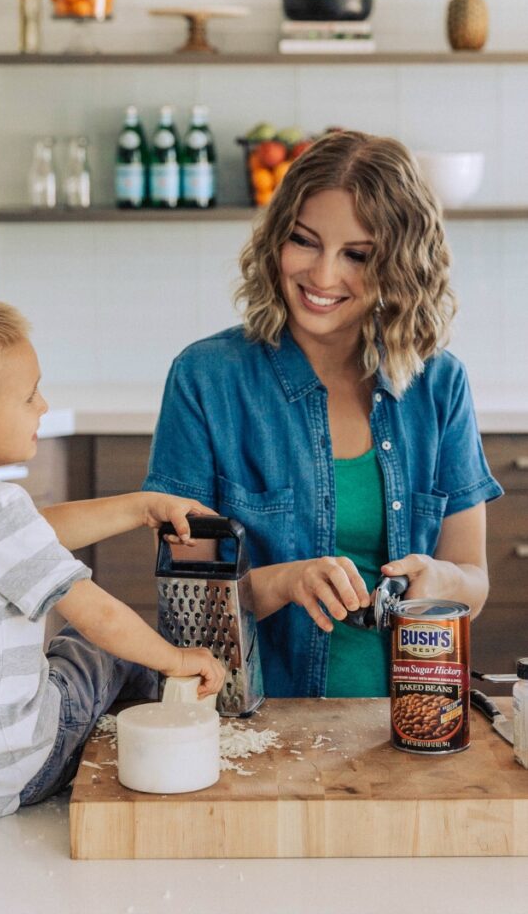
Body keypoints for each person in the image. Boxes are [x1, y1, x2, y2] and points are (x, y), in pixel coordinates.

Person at [144, 130, 502, 699]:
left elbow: (473, 581)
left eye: (357, 255)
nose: (323, 275)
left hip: (410, 720)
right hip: (262, 722)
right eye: (305, 242)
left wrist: (440, 581)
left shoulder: (441, 383)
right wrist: (285, 581)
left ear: (400, 265)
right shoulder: (206, 378)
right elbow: (187, 611)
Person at [0, 291, 224, 817]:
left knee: (68, 653)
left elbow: (26, 536)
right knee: (97, 645)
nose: (44, 407)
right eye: (30, 397)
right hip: (14, 772)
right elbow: (99, 614)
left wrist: (139, 506)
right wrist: (176, 658)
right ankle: (178, 711)